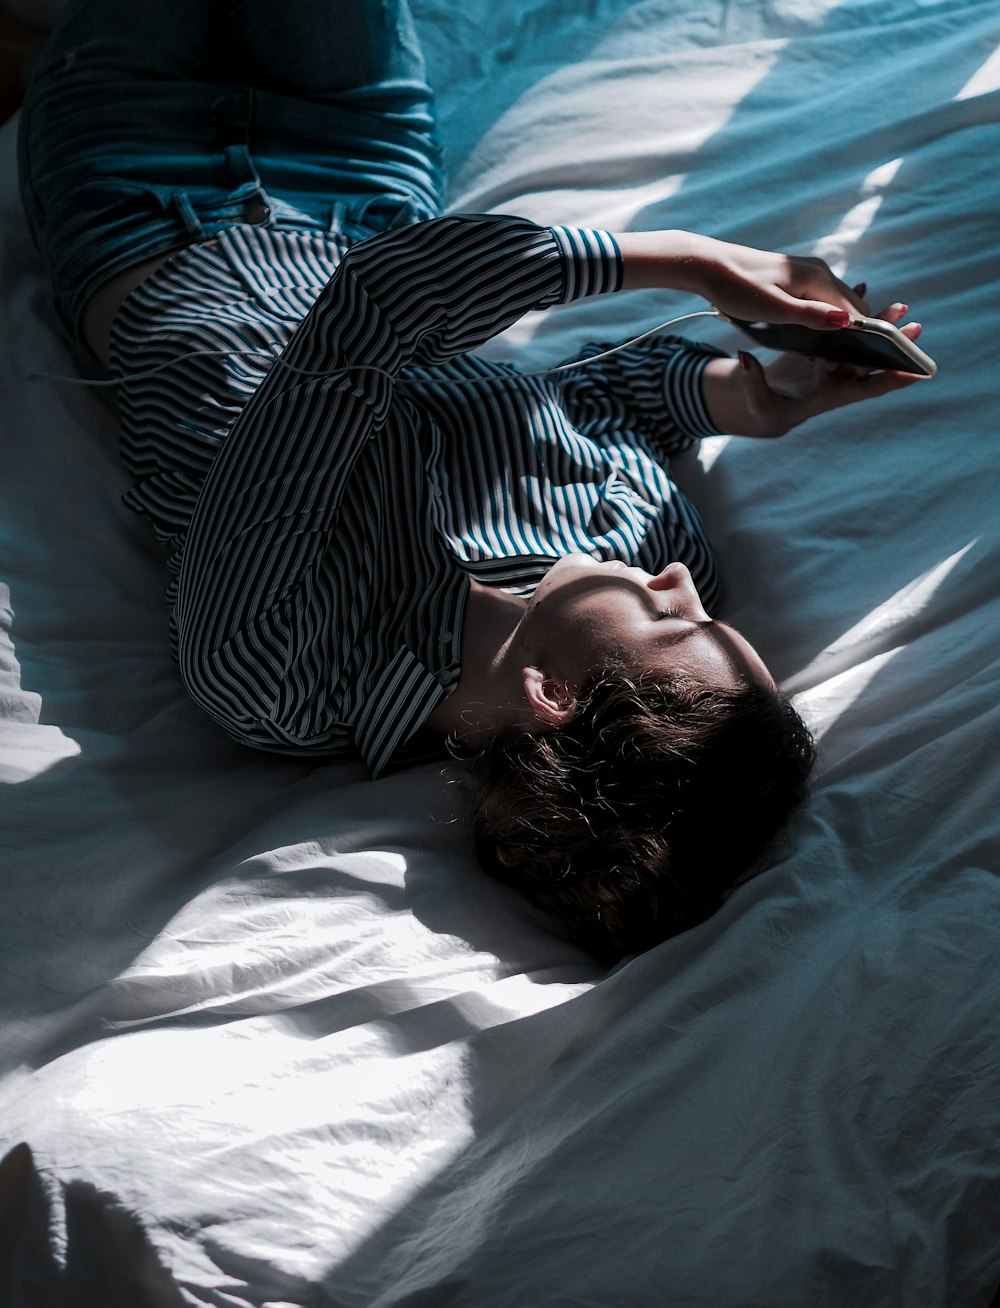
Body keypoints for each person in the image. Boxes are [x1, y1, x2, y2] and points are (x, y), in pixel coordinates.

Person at [17, 0, 924, 960]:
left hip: (143, 199)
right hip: (364, 174)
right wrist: (758, 400)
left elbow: (366, 319)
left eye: (671, 621)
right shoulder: (636, 552)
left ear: (552, 694)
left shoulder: (278, 670)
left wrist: (690, 263)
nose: (685, 583)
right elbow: (613, 396)